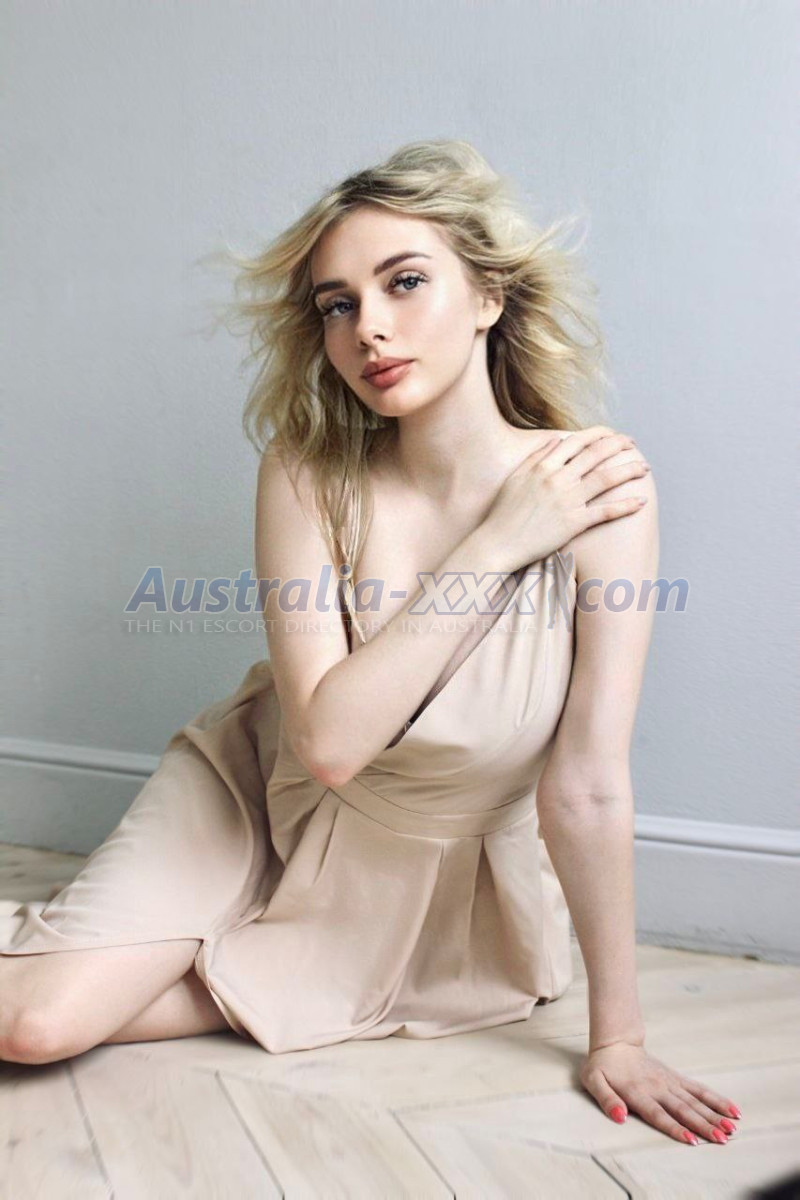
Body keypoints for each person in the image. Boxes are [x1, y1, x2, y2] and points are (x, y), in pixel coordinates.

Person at [0, 140, 740, 1148]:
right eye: (337, 304)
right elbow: (329, 745)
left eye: (404, 282)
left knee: (60, 1014)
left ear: (487, 296)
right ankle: (151, 933)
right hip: (253, 796)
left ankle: (165, 944)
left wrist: (620, 1037)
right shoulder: (306, 473)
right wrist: (496, 544)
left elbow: (587, 784)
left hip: (423, 879)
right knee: (35, 1025)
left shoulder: (600, 492)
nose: (369, 329)